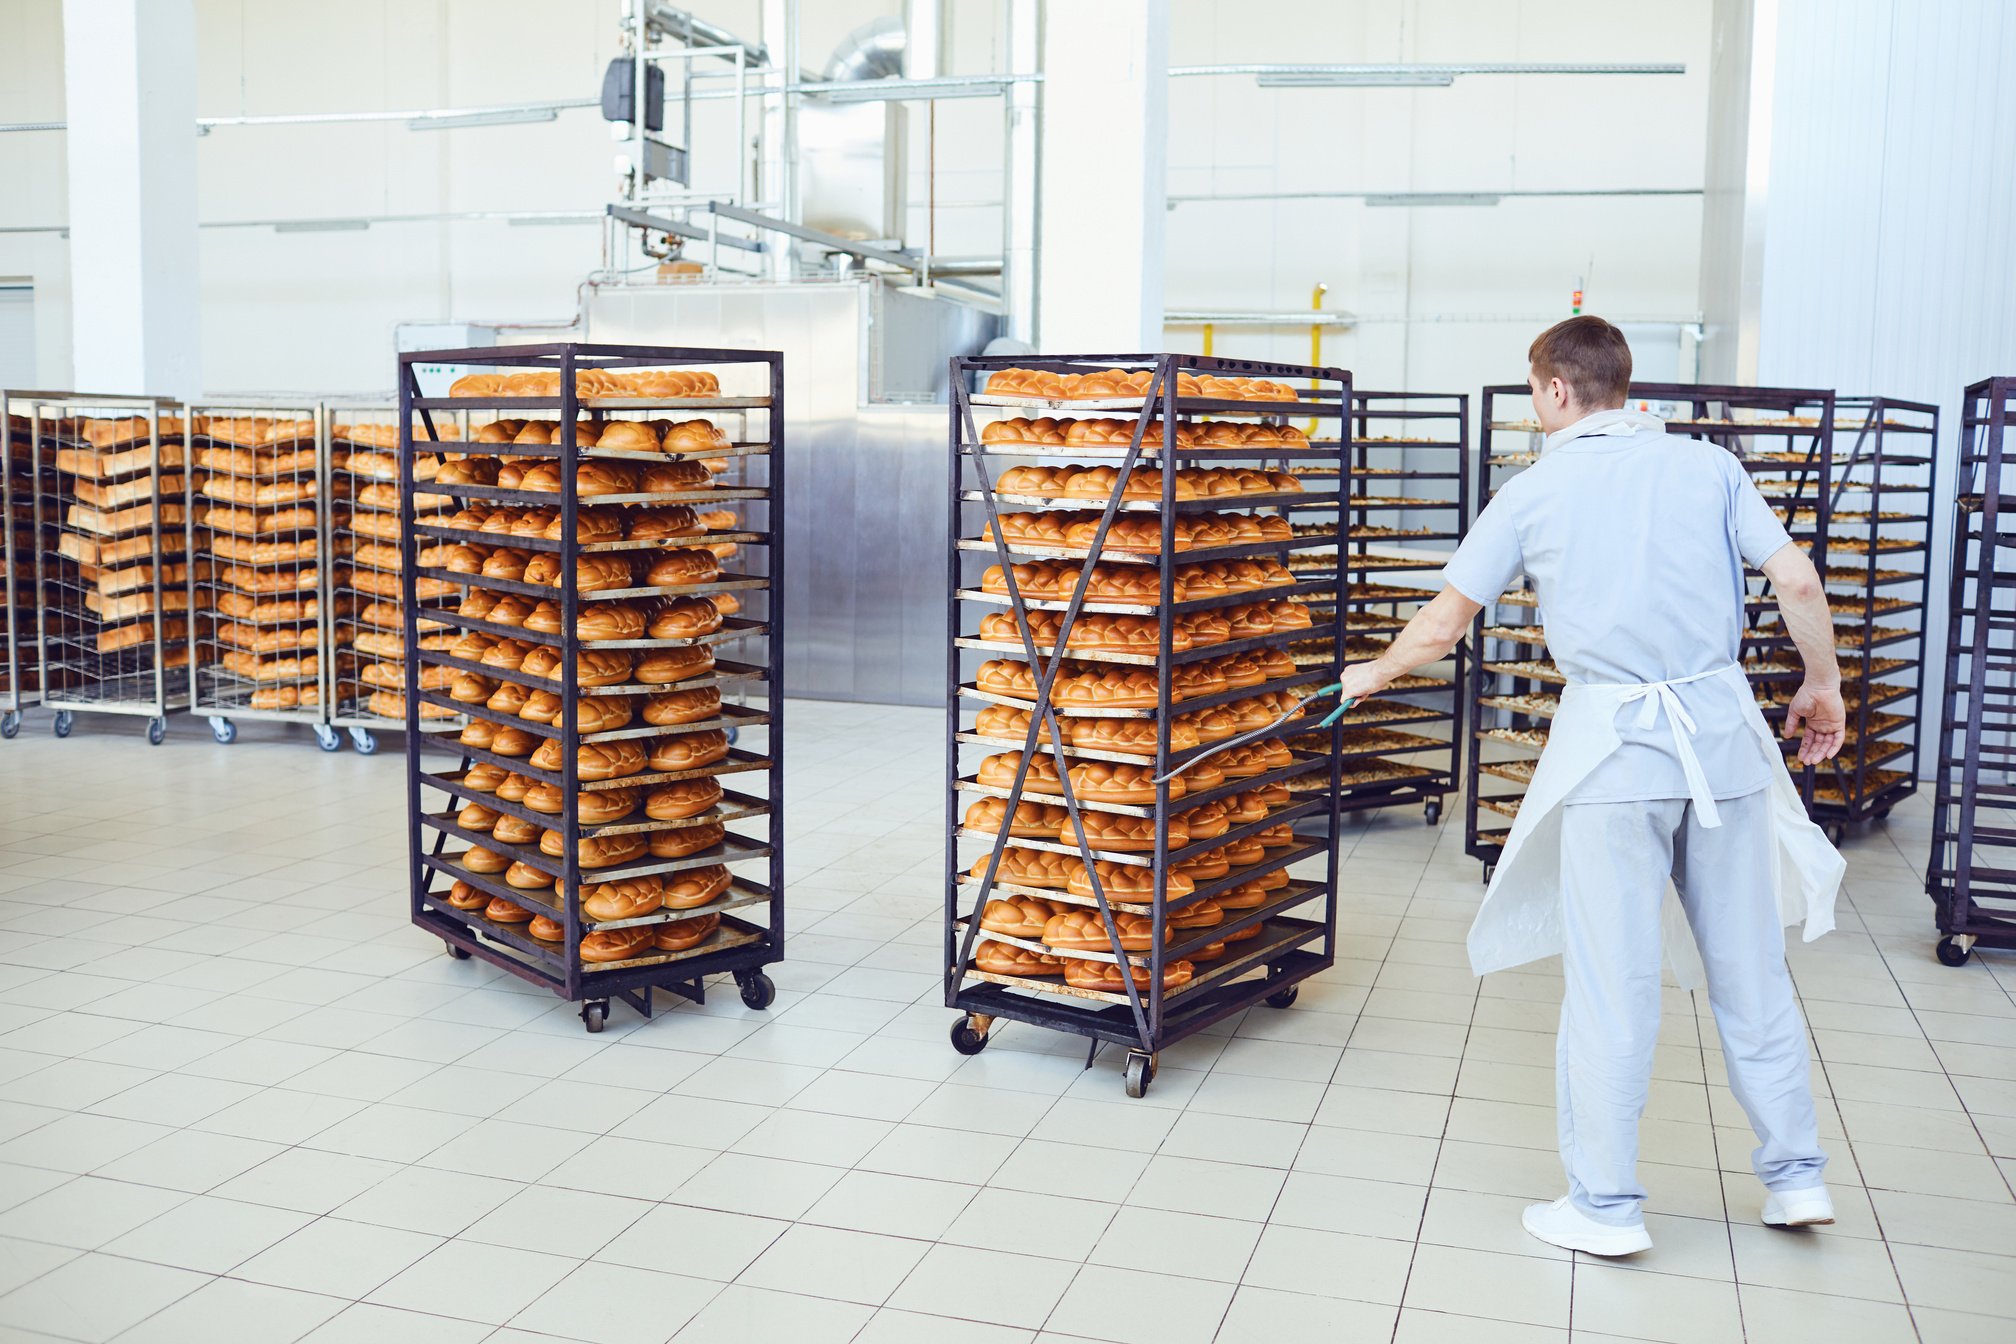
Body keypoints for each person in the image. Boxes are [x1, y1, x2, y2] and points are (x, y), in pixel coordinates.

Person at [1333, 315, 1848, 1255]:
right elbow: (1799, 586)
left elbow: (1443, 628)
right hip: (1723, 748)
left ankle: (1606, 1207)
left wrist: (1367, 676)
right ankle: (1797, 1177)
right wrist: (1823, 687)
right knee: (1752, 973)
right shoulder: (1710, 469)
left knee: (1613, 988)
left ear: (1557, 392)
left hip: (1614, 756)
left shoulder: (1531, 493)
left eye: (1536, 395)